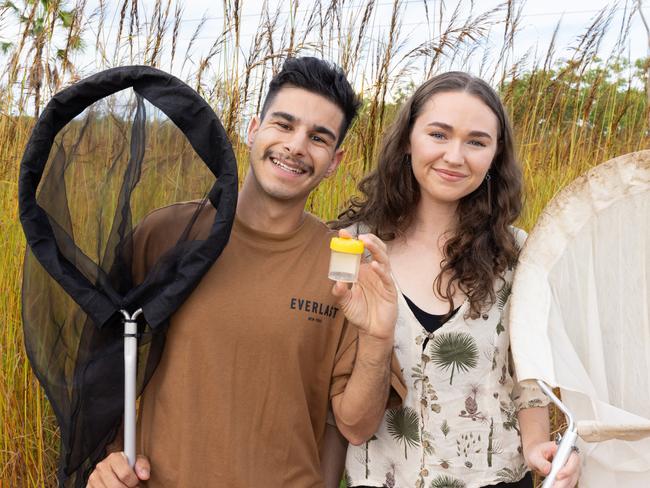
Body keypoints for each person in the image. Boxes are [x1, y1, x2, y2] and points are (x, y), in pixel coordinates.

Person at [87, 56, 406, 487]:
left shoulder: (341, 263)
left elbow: (356, 425)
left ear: (334, 160)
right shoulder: (167, 235)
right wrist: (110, 459)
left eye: (318, 137)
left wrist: (380, 336)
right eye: (284, 124)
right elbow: (103, 366)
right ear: (254, 129)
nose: (296, 146)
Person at [333, 72, 581, 488]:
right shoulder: (354, 249)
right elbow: (340, 403)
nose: (454, 156)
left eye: (477, 141)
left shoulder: (521, 254)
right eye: (438, 134)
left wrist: (539, 447)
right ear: (408, 139)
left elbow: (527, 373)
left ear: (495, 156)